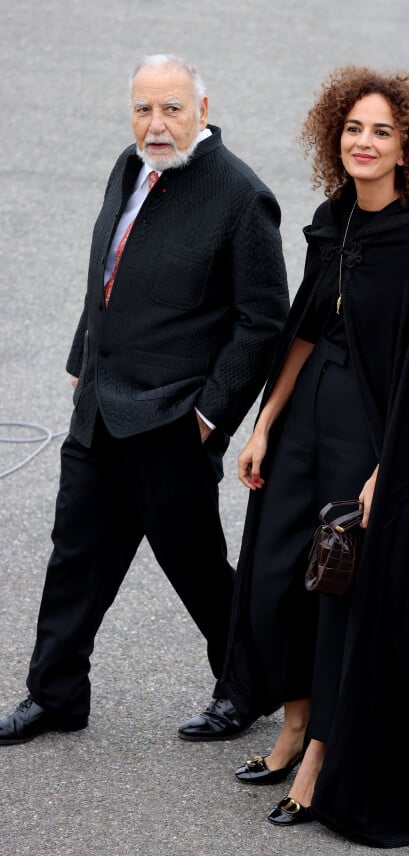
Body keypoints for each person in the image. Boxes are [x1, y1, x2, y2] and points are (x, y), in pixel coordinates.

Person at [187, 65, 409, 853]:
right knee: (273, 581)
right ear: (338, 136)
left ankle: (320, 757)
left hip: (367, 428)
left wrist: (380, 473)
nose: (364, 142)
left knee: (337, 593)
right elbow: (300, 329)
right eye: (354, 128)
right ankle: (292, 723)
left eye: (382, 132)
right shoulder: (333, 219)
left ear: (407, 149)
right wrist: (264, 424)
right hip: (302, 422)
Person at [0, 54, 289, 745]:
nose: (155, 125)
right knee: (75, 554)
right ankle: (56, 693)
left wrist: (209, 416)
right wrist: (82, 358)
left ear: (203, 110)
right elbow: (109, 269)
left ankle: (247, 688)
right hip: (100, 406)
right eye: (142, 109)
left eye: (171, 109)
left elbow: (264, 321)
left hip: (172, 421)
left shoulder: (242, 197)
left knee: (193, 566)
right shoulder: (129, 167)